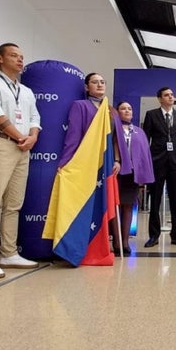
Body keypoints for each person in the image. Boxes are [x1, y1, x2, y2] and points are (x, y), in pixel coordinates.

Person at [0, 43, 41, 279]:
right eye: (14, 55)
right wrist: (19, 137)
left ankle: (9, 253)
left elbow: (35, 117)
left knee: (14, 204)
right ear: (0, 58)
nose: (19, 60)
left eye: (21, 56)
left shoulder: (26, 91)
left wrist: (32, 137)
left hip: (24, 148)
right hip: (1, 143)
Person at [55, 72, 122, 257]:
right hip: (86, 163)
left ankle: (103, 245)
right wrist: (65, 162)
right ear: (86, 87)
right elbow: (73, 135)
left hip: (107, 164)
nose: (100, 85)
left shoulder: (111, 110)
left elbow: (116, 139)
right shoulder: (80, 106)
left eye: (102, 82)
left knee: (104, 203)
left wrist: (117, 160)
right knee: (86, 204)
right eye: (94, 82)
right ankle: (81, 247)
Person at [142, 87, 176, 248]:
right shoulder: (151, 115)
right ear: (160, 99)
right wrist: (147, 161)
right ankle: (153, 235)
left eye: (172, 95)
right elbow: (145, 139)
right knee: (154, 200)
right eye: (166, 95)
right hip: (157, 163)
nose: (170, 97)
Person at [113, 101, 154, 255]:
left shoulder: (139, 131)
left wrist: (144, 175)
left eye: (129, 108)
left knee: (128, 206)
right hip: (116, 172)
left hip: (132, 174)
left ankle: (125, 241)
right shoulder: (113, 129)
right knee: (115, 206)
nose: (127, 111)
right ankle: (116, 241)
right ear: (117, 112)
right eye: (123, 108)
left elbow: (145, 155)